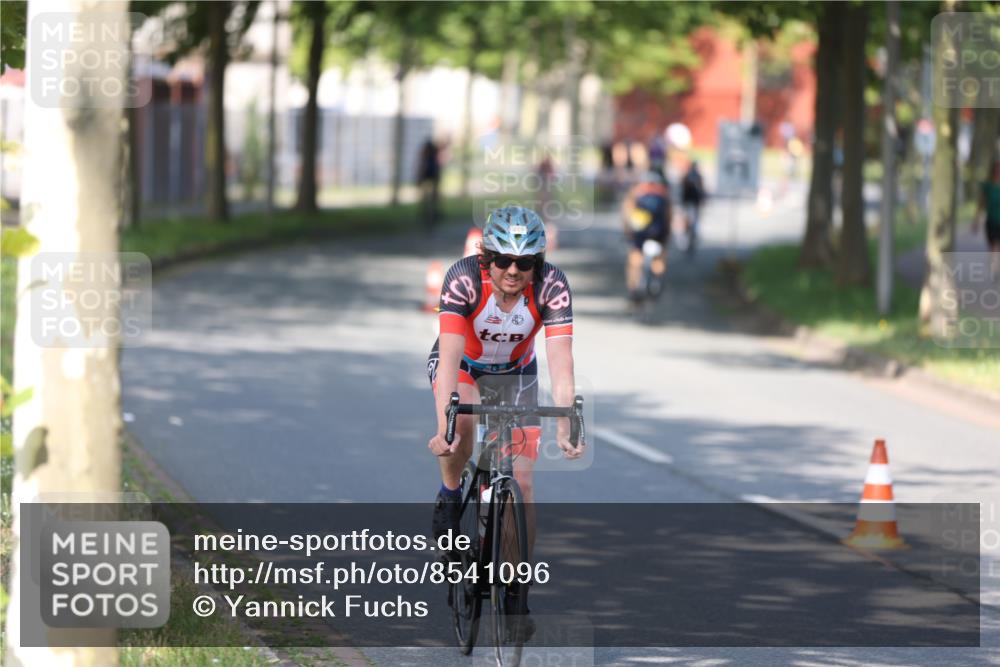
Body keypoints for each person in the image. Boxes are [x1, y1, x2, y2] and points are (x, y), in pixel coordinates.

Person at [427, 206, 584, 577]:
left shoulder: (552, 285)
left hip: (516, 373)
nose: (513, 270)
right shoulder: (464, 278)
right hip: (464, 366)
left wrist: (566, 425)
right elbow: (449, 358)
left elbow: (561, 361)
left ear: (537, 263)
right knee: (462, 427)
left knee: (523, 483)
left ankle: (514, 585)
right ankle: (450, 495)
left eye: (524, 262)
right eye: (502, 260)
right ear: (486, 258)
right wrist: (445, 428)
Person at [621, 170, 671, 305]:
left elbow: (628, 210)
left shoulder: (636, 191)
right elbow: (668, 215)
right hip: (658, 231)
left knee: (635, 258)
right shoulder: (663, 193)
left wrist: (627, 230)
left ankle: (633, 288)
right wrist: (667, 232)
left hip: (640, 231)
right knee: (659, 258)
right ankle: (657, 283)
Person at [974, 159, 1000, 278]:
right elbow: (981, 204)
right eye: (997, 169)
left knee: (997, 246)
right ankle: (994, 265)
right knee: (993, 245)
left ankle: (996, 265)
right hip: (991, 221)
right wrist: (976, 220)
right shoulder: (987, 186)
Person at [681, 161, 707, 257]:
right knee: (692, 221)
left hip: (690, 202)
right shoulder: (696, 177)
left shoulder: (688, 176)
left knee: (690, 221)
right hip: (692, 202)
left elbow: (683, 188)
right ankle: (691, 235)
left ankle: (691, 235)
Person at [417, 137, 441, 230]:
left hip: (428, 177)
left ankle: (428, 214)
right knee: (432, 198)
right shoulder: (433, 157)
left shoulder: (426, 157)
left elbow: (422, 168)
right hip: (432, 177)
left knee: (427, 198)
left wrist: (419, 179)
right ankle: (432, 214)